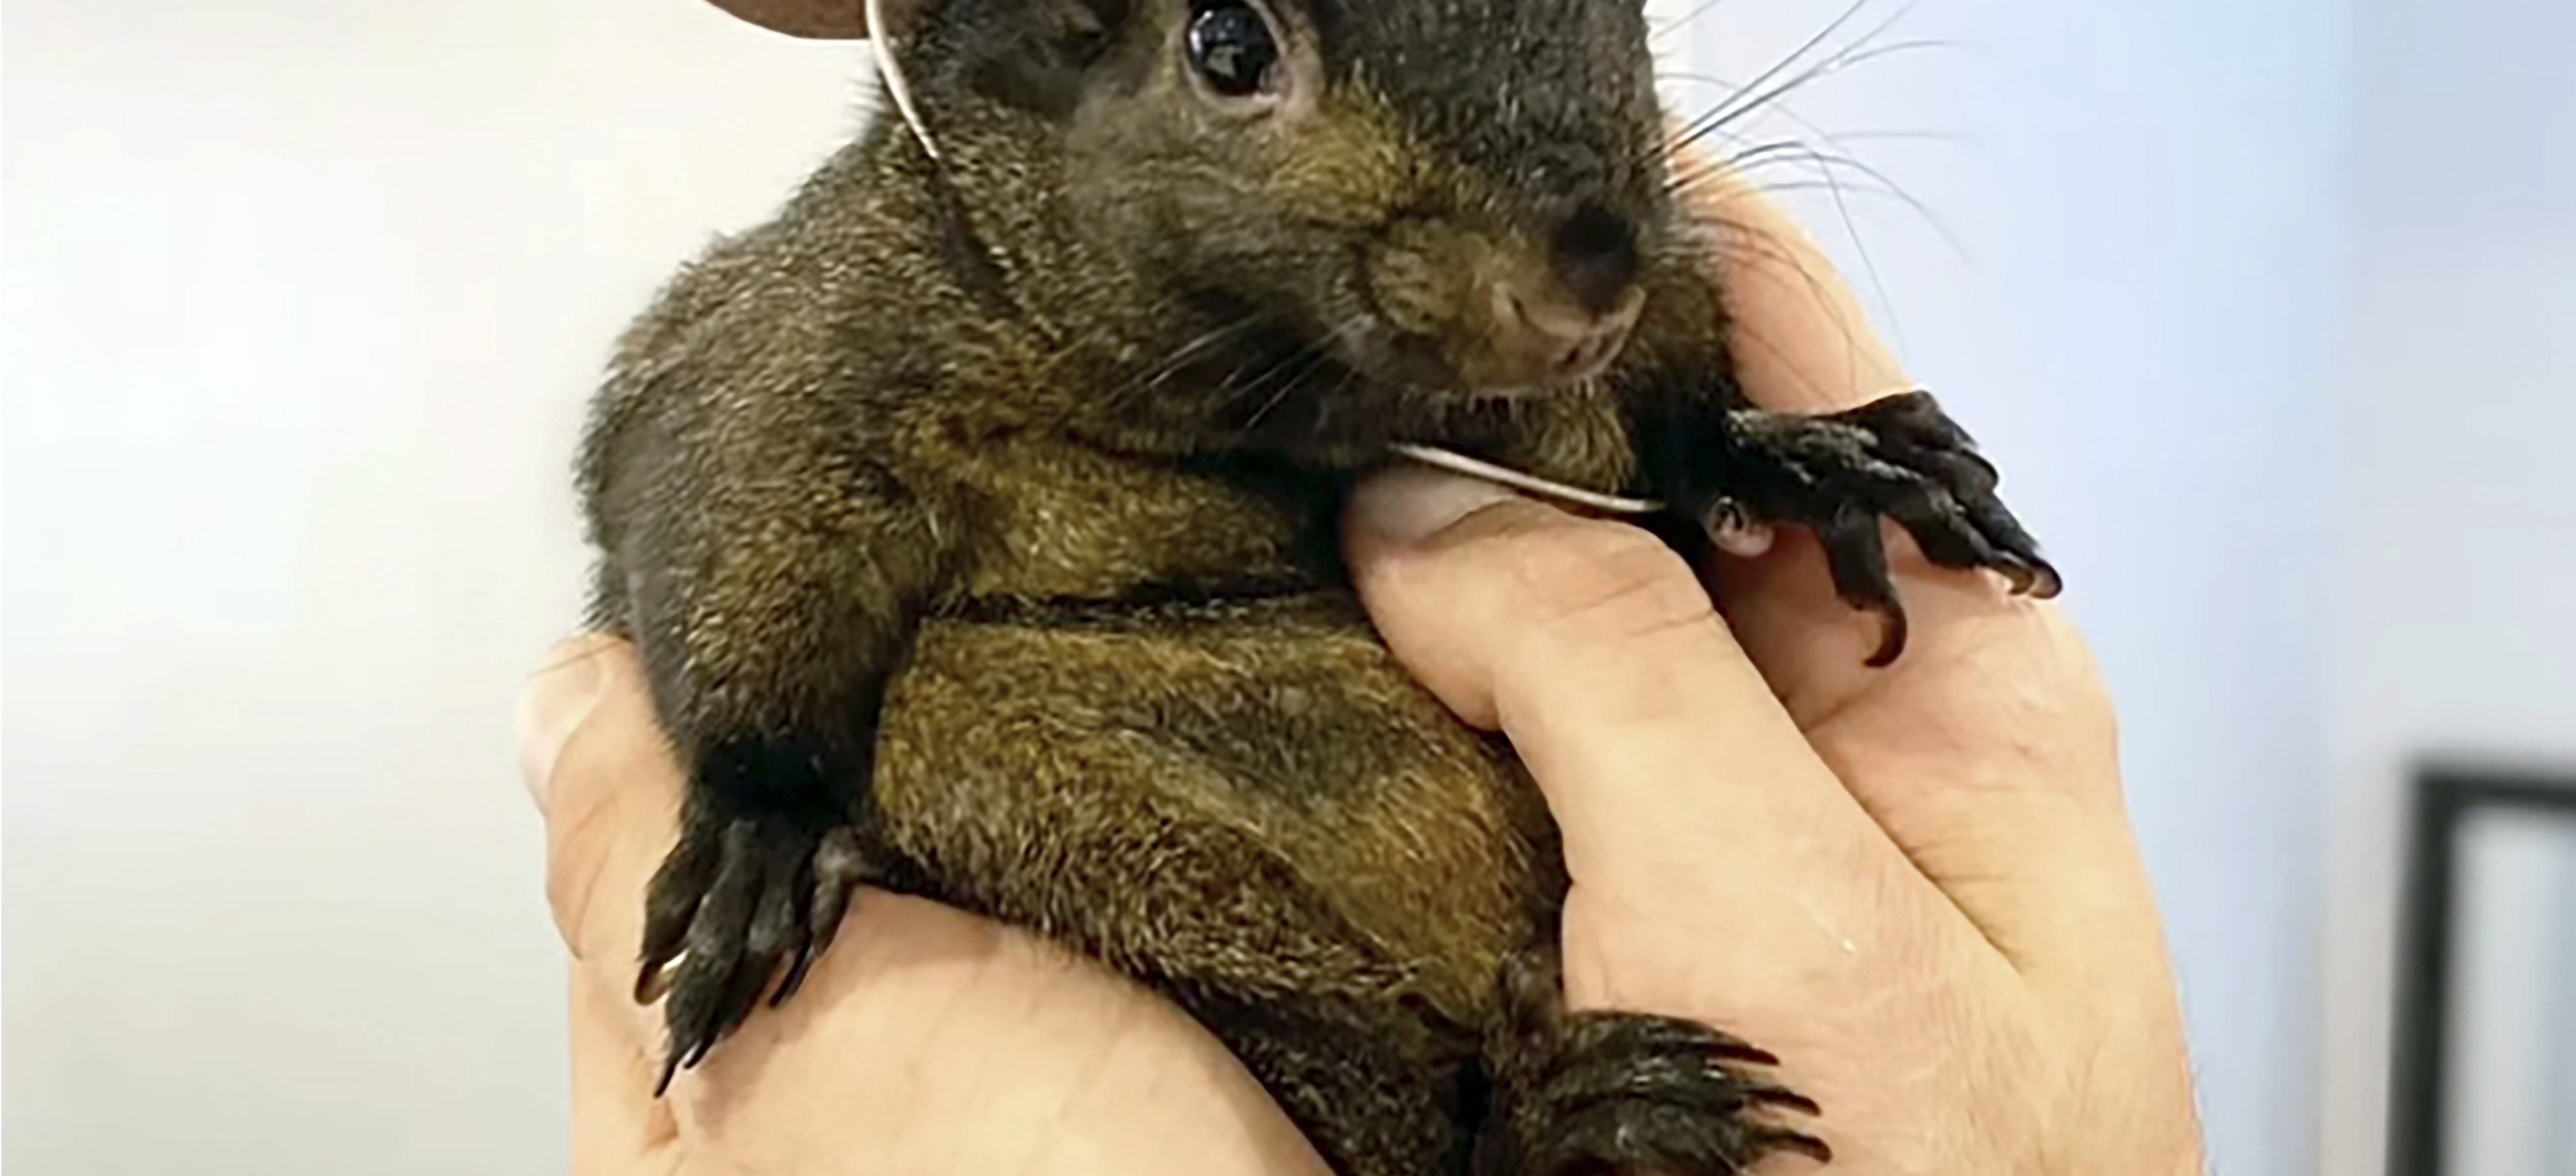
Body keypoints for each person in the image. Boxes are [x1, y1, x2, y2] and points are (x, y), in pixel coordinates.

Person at [517, 176, 2208, 1176]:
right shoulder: (902, 300)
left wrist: (1737, 454)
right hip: (1138, 846)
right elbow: (699, 463)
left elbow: (1627, 372)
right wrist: (764, 782)